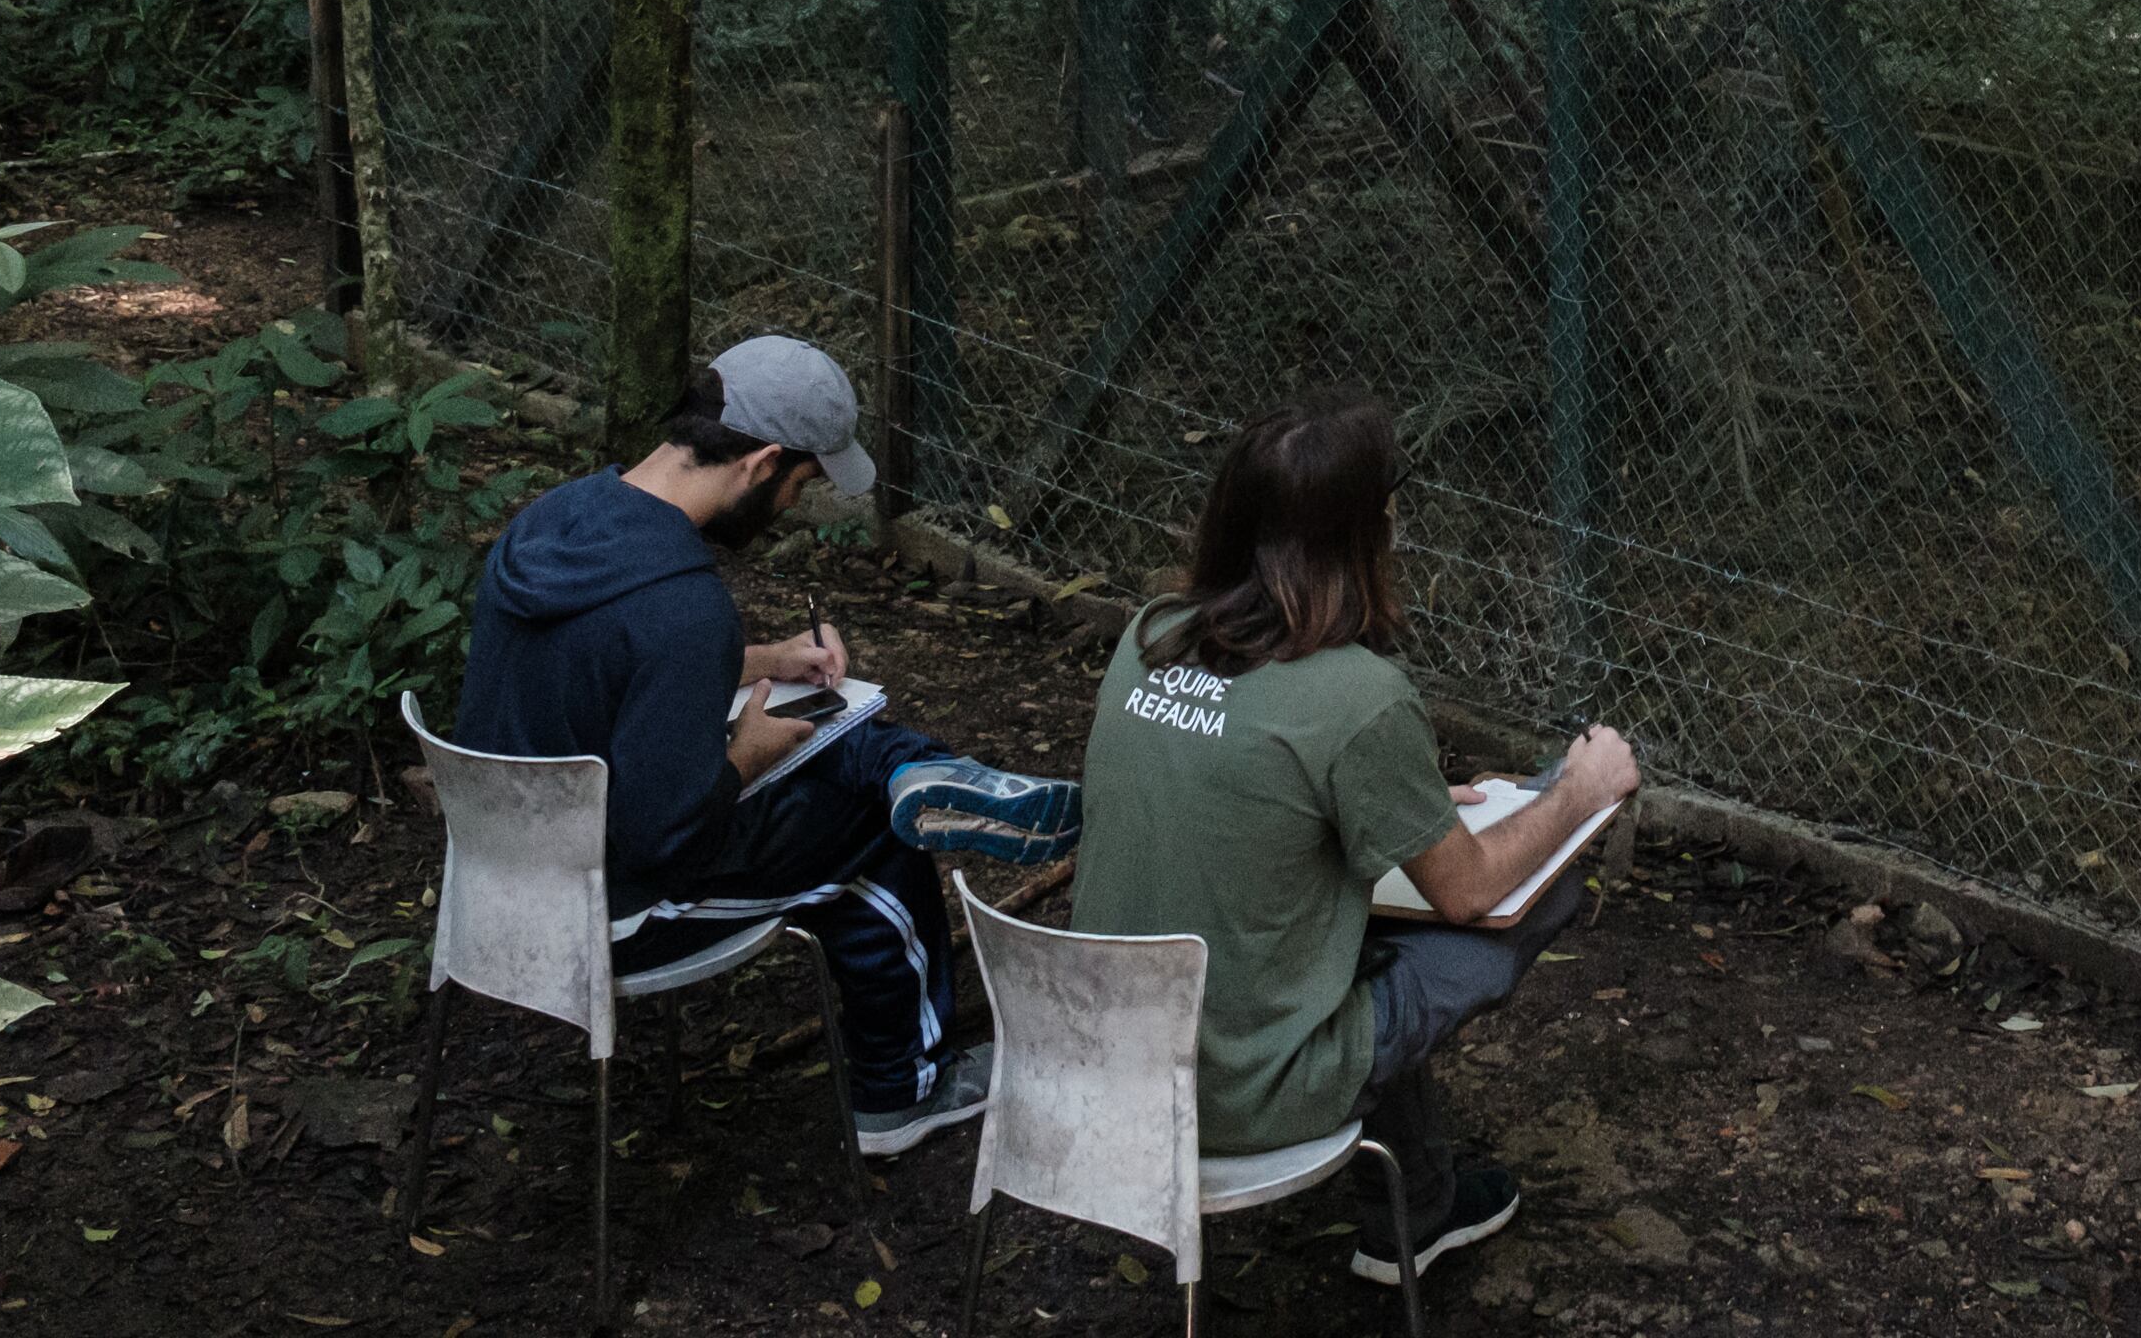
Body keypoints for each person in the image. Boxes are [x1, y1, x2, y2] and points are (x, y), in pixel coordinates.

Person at [452, 332, 1082, 1155]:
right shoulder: (683, 608)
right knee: (872, 841)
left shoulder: (559, 520)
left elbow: (609, 667)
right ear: (762, 463)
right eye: (802, 484)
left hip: (496, 876)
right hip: (606, 910)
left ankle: (913, 769)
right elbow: (667, 831)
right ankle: (904, 1091)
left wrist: (764, 661)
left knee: (850, 766)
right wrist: (747, 751)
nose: (794, 506)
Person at [1073, 396, 1638, 1289]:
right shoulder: (1357, 694)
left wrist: (1389, 803)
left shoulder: (1148, 635)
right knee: (1539, 890)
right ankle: (1409, 1207)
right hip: (1241, 1093)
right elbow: (1468, 891)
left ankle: (1415, 1210)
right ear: (1363, 534)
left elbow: (1242, 783)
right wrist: (1580, 792)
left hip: (1095, 1064)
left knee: (1359, 934)